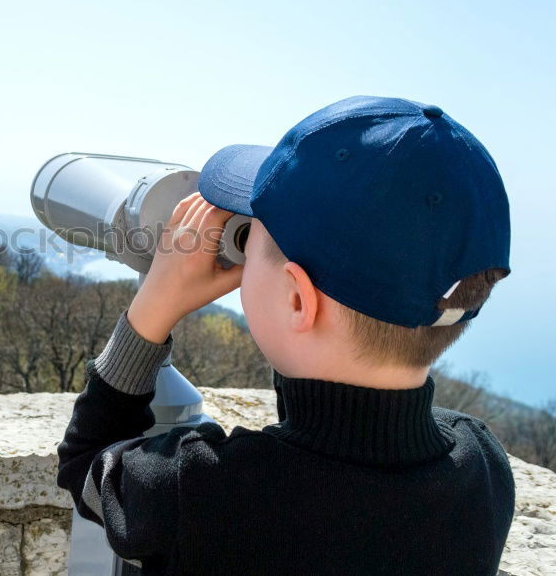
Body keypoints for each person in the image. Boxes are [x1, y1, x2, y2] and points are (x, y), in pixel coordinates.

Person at [56, 96, 515, 575]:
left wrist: (155, 305)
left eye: (251, 238)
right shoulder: (482, 467)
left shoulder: (202, 492)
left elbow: (85, 464)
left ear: (298, 299)